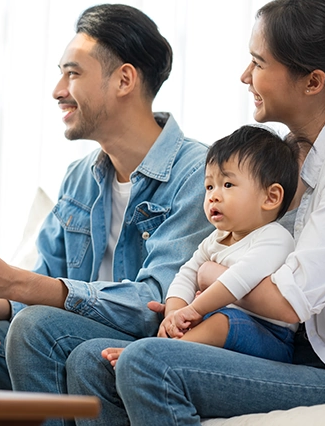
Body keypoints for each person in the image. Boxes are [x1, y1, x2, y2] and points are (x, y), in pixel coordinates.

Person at [66, 0, 325, 425]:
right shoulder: (279, 158)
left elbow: (286, 305)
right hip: (264, 342)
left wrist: (207, 275)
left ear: (313, 81)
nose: (245, 75)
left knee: (149, 363)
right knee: (88, 359)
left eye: (259, 63)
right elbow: (229, 248)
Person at [0, 5, 216, 407]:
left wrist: (18, 285)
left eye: (73, 74)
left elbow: (154, 304)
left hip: (136, 353)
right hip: (55, 341)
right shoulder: (80, 177)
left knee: (38, 326)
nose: (58, 90)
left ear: (124, 79)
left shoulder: (200, 173)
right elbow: (41, 279)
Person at [102, 125, 302, 367]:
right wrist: (175, 312)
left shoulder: (275, 238)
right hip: (221, 318)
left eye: (227, 185)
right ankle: (160, 345)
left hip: (271, 336)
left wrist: (193, 310)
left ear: (270, 197)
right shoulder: (216, 238)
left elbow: (238, 280)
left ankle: (156, 351)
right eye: (209, 186)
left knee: (221, 321)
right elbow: (187, 274)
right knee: (204, 319)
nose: (213, 196)